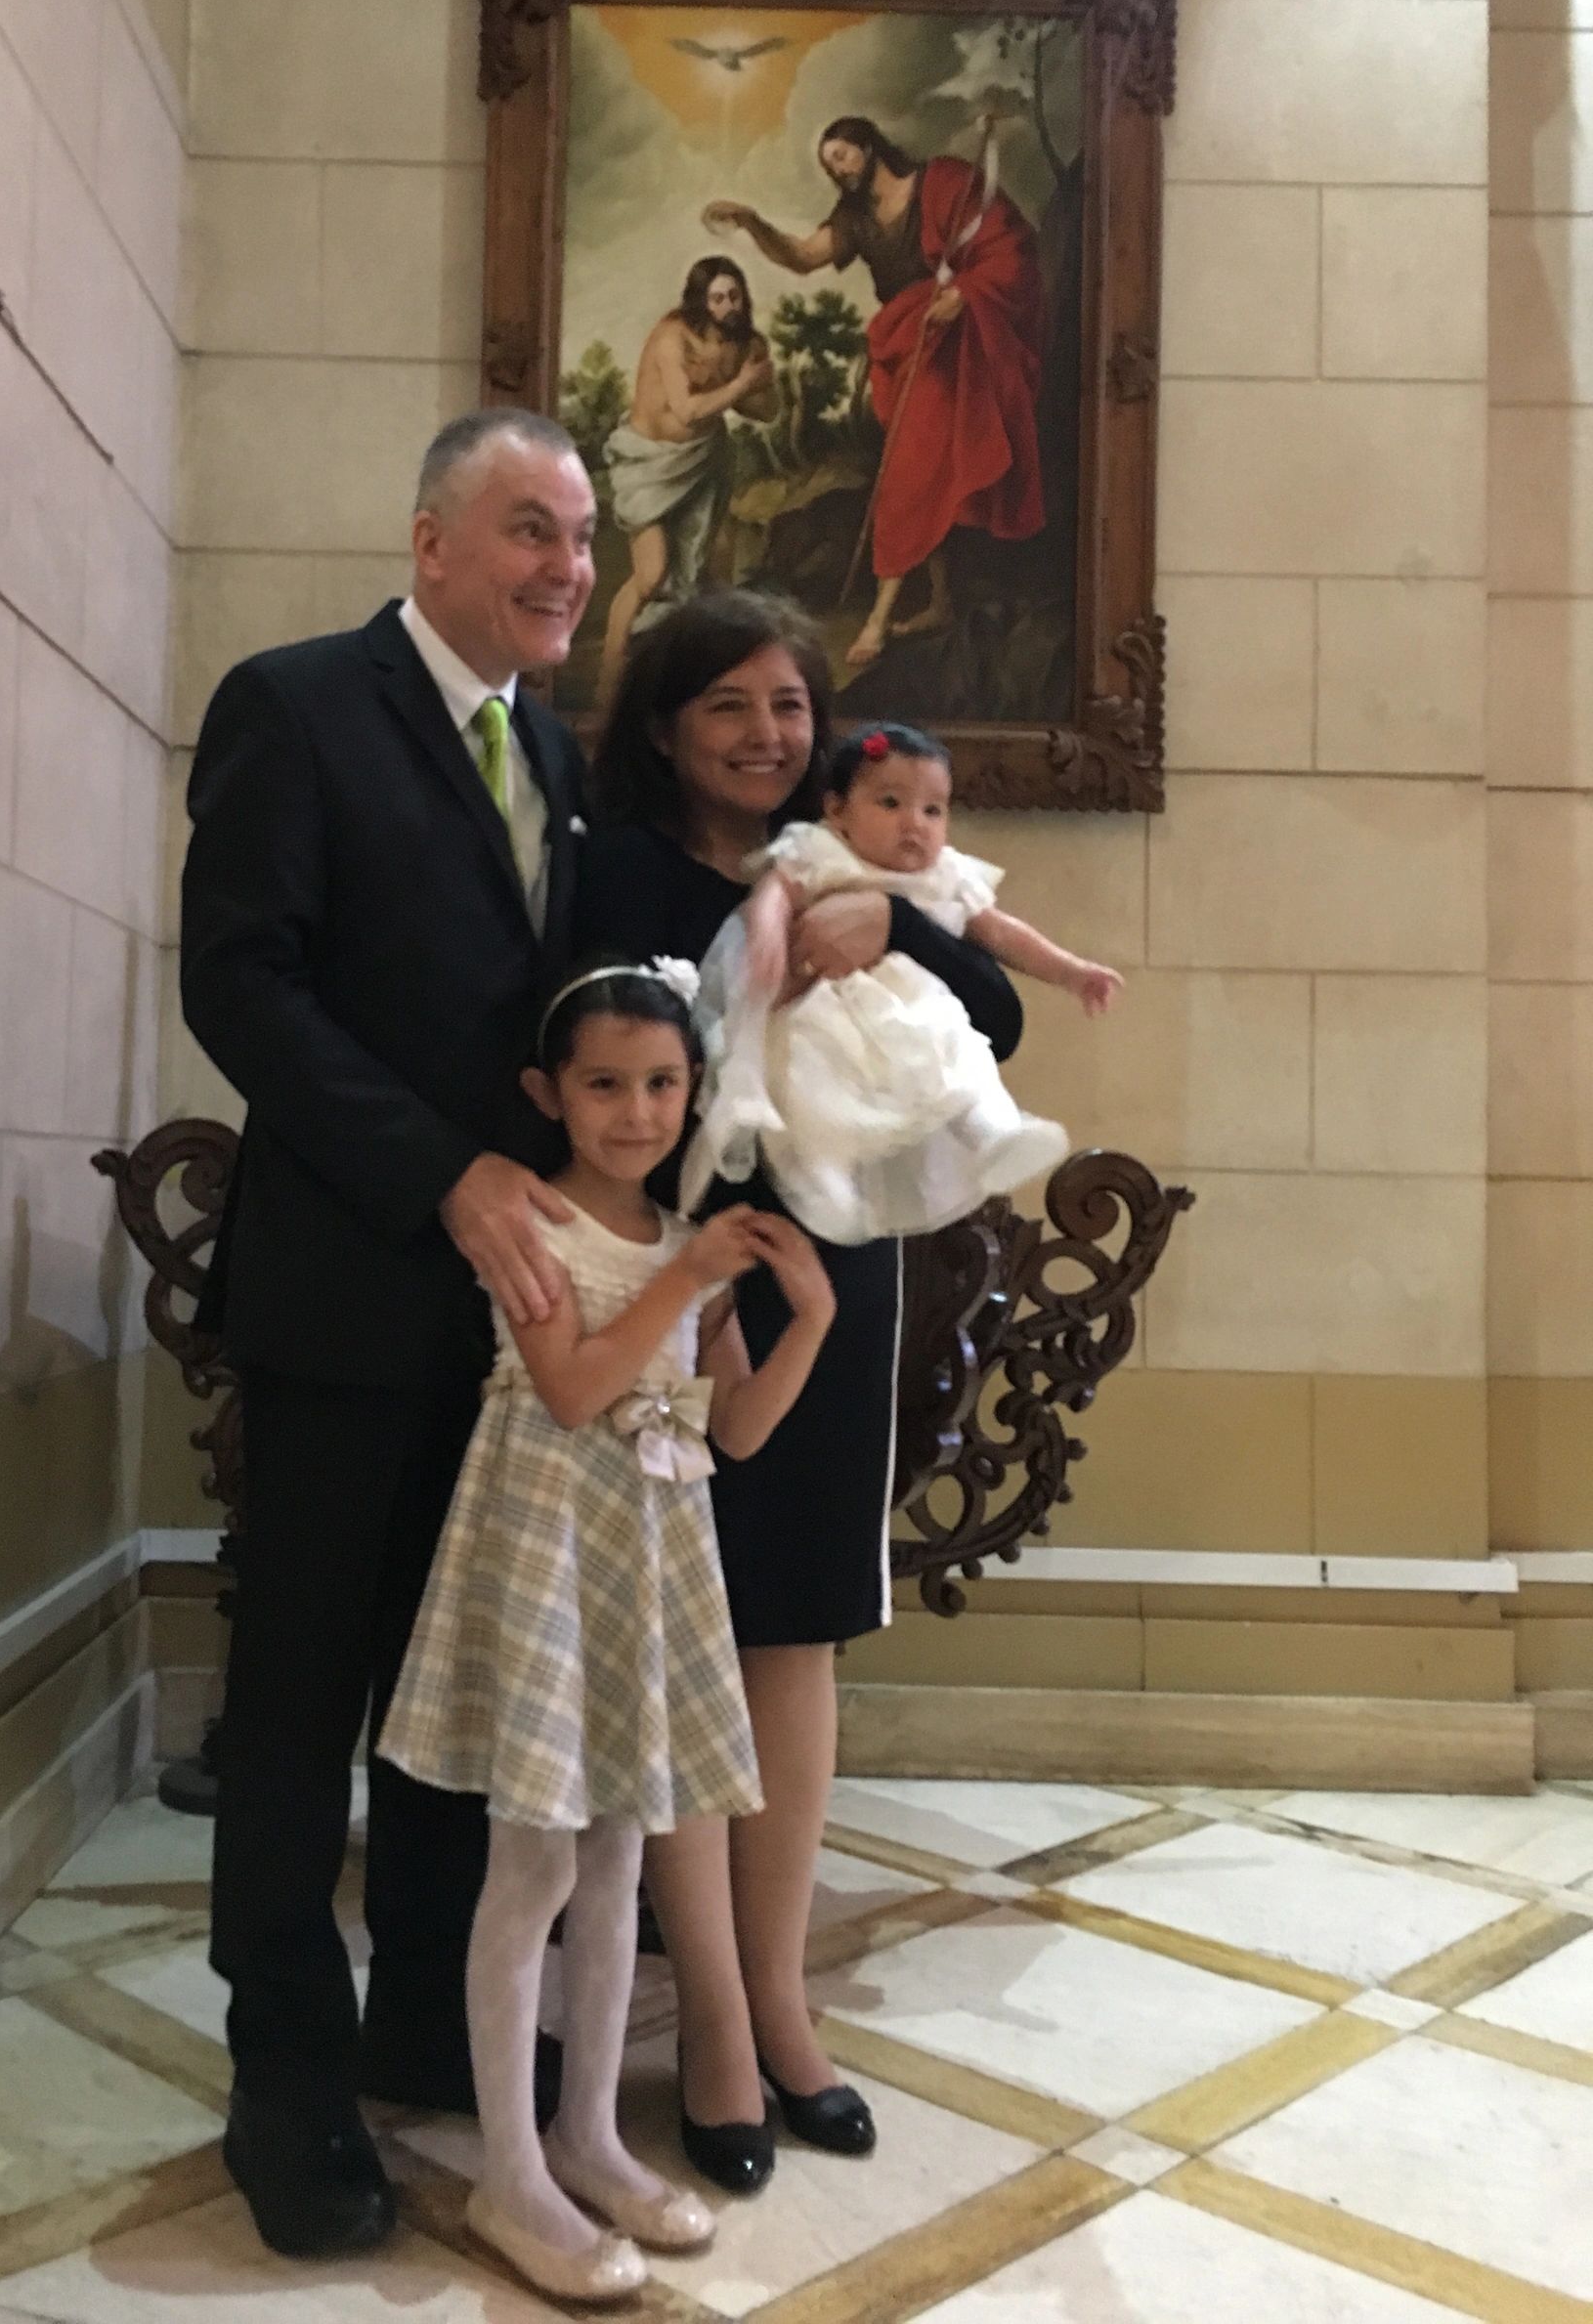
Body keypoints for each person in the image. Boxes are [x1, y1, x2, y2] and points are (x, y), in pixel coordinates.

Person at [179, 409, 598, 2259]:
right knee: (303, 1703)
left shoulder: (560, 755)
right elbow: (237, 981)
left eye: (579, 540)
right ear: (429, 541)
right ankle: (287, 2077)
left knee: (455, 1696)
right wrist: (442, 1175)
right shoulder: (298, 704)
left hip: (515, 1330)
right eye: (527, 530)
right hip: (348, 1293)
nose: (562, 567)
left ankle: (427, 2013)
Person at [574, 588, 1024, 2193]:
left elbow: (1005, 1007)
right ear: (665, 728)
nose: (767, 735)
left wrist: (892, 925)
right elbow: (598, 1055)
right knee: (691, 1623)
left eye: (788, 706)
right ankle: (705, 2019)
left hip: (837, 1276)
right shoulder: (612, 868)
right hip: (675, 1275)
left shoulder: (872, 863)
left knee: (800, 1627)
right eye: (730, 709)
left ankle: (781, 1997)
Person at [380, 960, 834, 2301]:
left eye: (661, 1084)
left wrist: (802, 1315)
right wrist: (685, 1276)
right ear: (548, 1094)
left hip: (648, 1550)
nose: (636, 1112)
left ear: (696, 1089)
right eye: (604, 1084)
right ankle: (507, 2170)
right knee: (531, 1867)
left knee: (622, 1857)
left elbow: (735, 1426)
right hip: (547, 1546)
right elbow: (575, 1389)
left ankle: (585, 2132)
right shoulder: (529, 1220)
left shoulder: (694, 1234)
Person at [686, 720, 1121, 1245]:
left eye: (932, 810)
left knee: (961, 1053)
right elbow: (772, 896)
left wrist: (1072, 972)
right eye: (890, 803)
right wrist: (767, 938)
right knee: (809, 1080)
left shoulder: (945, 874)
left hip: (914, 1010)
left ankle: (994, 1132)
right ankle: (826, 1182)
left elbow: (1001, 933)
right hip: (823, 1006)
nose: (914, 824)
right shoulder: (818, 852)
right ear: (838, 811)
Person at [705, 113, 1045, 667]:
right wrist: (751, 221)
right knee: (928, 468)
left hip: (955, 343)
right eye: (828, 164)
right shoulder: (854, 219)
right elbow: (801, 255)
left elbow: (1011, 247)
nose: (836, 169)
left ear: (869, 146)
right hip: (907, 343)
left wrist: (966, 292)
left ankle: (879, 619)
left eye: (842, 155)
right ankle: (939, 600)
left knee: (913, 470)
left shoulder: (944, 184)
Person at [599, 256, 778, 696]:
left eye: (734, 296)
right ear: (700, 300)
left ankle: (682, 673)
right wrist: (740, 385)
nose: (728, 305)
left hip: (703, 460)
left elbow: (766, 411)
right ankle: (608, 671)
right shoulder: (672, 337)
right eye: (717, 297)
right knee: (651, 574)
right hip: (648, 462)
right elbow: (686, 409)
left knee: (699, 569)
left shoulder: (745, 344)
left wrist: (756, 384)